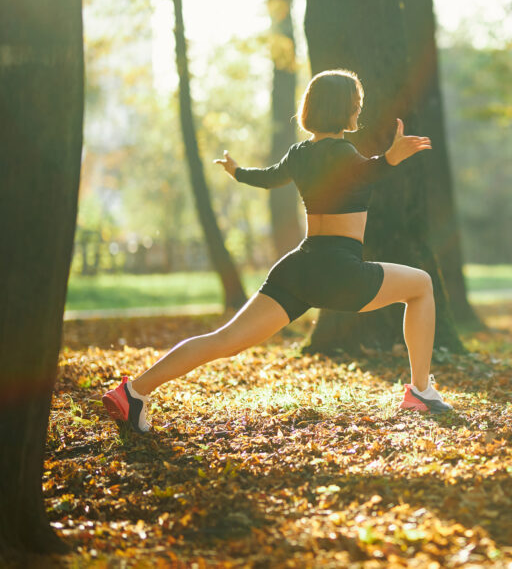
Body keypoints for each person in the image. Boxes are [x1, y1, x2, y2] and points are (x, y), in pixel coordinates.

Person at [102, 69, 452, 433]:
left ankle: (134, 390)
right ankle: (421, 391)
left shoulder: (300, 153)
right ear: (343, 109)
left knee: (224, 340)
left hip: (298, 268)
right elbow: (364, 172)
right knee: (421, 285)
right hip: (339, 271)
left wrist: (237, 172)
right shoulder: (343, 151)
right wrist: (391, 158)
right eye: (355, 105)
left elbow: (269, 178)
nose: (358, 112)